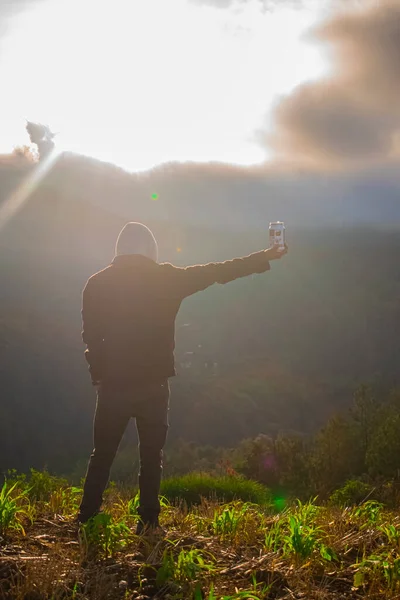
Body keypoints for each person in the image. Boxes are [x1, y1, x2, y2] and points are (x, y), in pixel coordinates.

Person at [77, 222, 288, 532]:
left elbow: (91, 338)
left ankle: (86, 518)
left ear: (120, 249)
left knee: (103, 455)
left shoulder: (96, 284)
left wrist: (98, 374)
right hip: (154, 386)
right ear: (151, 249)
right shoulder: (168, 279)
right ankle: (148, 523)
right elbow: (219, 271)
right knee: (152, 456)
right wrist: (265, 256)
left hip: (113, 387)